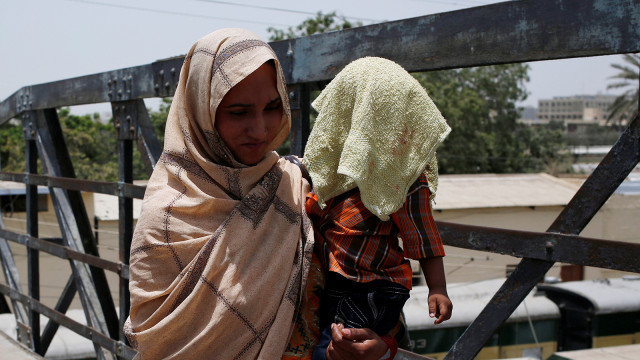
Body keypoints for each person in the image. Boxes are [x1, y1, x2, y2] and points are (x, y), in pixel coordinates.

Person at [124, 29, 389, 360]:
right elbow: (161, 344)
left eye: (273, 107)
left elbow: (367, 279)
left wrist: (378, 345)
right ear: (201, 111)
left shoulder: (296, 185)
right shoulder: (165, 221)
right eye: (239, 112)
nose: (261, 129)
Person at [303, 57, 454, 360]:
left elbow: (423, 236)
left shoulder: (403, 177)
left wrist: (437, 288)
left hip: (373, 289)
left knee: (335, 349)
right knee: (326, 343)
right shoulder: (331, 168)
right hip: (335, 280)